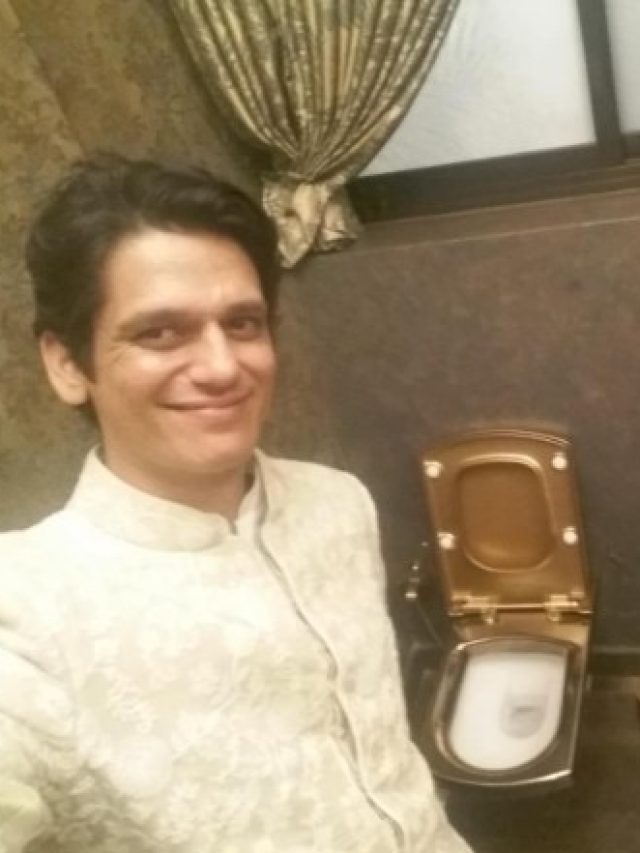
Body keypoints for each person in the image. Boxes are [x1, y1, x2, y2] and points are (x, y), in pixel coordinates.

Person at [0, 154, 471, 852]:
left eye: (243, 323)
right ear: (68, 363)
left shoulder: (338, 502)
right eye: (160, 332)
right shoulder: (26, 615)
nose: (223, 367)